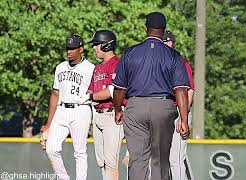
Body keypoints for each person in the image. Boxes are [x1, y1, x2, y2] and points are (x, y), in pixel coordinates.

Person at [112, 12, 190, 180]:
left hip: (135, 107)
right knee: (160, 160)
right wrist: (184, 119)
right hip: (163, 107)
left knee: (137, 160)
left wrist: (118, 110)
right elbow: (181, 91)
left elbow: (119, 89)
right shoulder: (173, 56)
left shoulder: (130, 53)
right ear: (164, 30)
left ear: (145, 29)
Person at [40, 34, 95, 180]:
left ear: (81, 49)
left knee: (80, 152)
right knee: (51, 149)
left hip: (81, 109)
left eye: (72, 48)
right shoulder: (60, 67)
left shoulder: (90, 68)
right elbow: (55, 94)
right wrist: (48, 124)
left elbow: (94, 93)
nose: (69, 52)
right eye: (67, 48)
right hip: (61, 109)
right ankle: (63, 178)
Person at [78, 30, 124, 180]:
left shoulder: (117, 64)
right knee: (102, 162)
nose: (94, 48)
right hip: (97, 116)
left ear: (106, 45)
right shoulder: (97, 67)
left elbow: (112, 91)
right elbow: (91, 88)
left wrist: (90, 96)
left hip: (112, 116)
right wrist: (89, 94)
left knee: (111, 162)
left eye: (96, 44)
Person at [163, 31, 195, 180]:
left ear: (173, 44)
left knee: (176, 159)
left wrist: (183, 117)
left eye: (168, 42)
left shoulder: (181, 62)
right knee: (166, 159)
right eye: (164, 43)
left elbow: (190, 91)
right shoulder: (160, 64)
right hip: (165, 111)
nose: (166, 45)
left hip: (179, 111)